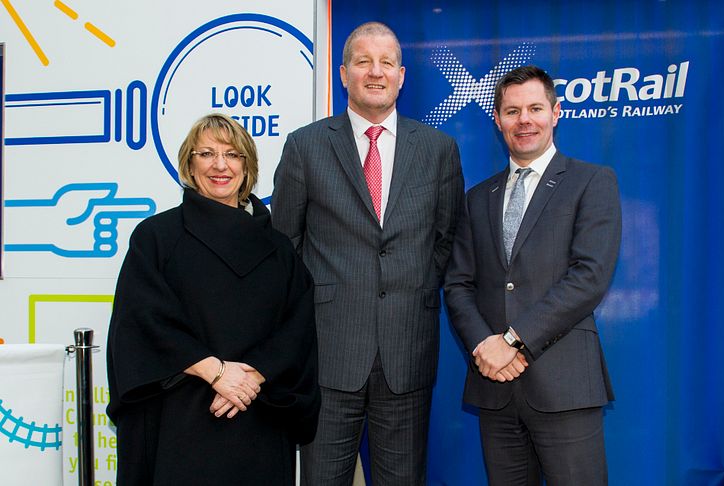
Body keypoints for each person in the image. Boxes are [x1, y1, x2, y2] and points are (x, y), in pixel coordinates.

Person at [271, 21, 464, 486]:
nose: (375, 72)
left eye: (386, 63)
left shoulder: (438, 149)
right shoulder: (306, 146)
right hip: (328, 352)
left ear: (402, 75)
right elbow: (285, 247)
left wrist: (411, 286)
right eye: (363, 61)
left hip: (407, 350)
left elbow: (447, 241)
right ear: (343, 73)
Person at [106, 113, 320, 486]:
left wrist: (249, 377)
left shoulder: (279, 249)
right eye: (206, 153)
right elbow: (141, 319)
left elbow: (297, 329)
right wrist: (215, 372)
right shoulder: (156, 237)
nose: (220, 165)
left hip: (258, 416)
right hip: (180, 421)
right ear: (190, 164)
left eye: (233, 154)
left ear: (247, 165)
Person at [444, 65, 622, 485]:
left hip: (565, 387)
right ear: (498, 120)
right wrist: (485, 346)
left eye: (535, 108)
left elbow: (589, 276)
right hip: (496, 391)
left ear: (556, 112)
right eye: (512, 111)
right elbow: (458, 284)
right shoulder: (476, 198)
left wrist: (512, 341)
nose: (524, 120)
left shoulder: (592, 181)